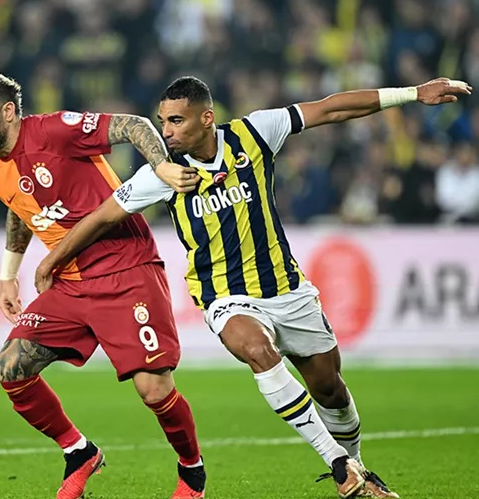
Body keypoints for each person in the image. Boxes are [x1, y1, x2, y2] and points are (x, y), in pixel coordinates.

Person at [35, 76, 472, 498]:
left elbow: (330, 109)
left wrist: (412, 93)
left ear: (206, 118)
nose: (166, 132)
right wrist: (52, 259)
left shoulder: (255, 134)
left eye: (176, 121)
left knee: (330, 390)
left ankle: (357, 467)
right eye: (163, 121)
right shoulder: (164, 174)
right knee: (257, 350)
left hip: (287, 289)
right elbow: (101, 217)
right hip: (224, 296)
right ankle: (338, 463)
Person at [0, 72, 206, 499]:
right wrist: (7, 275)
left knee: (153, 389)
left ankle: (192, 471)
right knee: (12, 368)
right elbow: (20, 206)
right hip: (70, 283)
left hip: (126, 268)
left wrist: (161, 165)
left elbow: (133, 125)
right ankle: (79, 452)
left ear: (8, 112)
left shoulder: (53, 130)